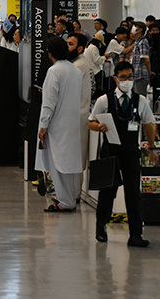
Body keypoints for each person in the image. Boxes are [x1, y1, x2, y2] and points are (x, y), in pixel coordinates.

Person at [89, 61, 157, 248]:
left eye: (130, 77)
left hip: (130, 152)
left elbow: (148, 125)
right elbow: (90, 122)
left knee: (133, 193)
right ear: (115, 78)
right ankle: (101, 227)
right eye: (123, 77)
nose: (127, 81)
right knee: (107, 191)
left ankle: (135, 234)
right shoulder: (105, 100)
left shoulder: (140, 101)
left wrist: (152, 148)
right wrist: (98, 127)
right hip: (110, 152)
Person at [36, 36, 83, 212]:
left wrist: (43, 125)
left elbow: (49, 101)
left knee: (58, 164)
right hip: (71, 121)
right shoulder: (75, 70)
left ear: (50, 53)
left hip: (56, 123)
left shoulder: (54, 71)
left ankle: (65, 201)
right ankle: (68, 197)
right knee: (69, 164)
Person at [67, 33, 94, 198]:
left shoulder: (78, 66)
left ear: (80, 48)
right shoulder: (75, 63)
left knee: (75, 157)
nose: (67, 47)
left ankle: (74, 194)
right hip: (75, 116)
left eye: (70, 44)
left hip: (77, 117)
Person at [130, 22, 153, 96]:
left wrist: (149, 71)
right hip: (136, 74)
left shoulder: (143, 42)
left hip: (141, 74)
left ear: (140, 30)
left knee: (139, 97)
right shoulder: (137, 41)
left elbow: (146, 59)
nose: (133, 28)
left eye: (135, 26)